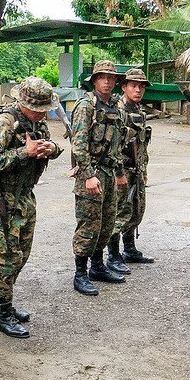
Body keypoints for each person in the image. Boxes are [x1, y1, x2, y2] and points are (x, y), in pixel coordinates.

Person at [0, 77, 62, 338]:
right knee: (6, 258)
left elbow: (53, 145)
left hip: (25, 197)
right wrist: (24, 153)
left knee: (21, 256)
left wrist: (51, 148)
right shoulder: (5, 122)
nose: (42, 114)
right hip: (1, 199)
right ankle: (4, 314)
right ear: (24, 104)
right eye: (38, 109)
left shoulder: (37, 123)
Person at [70, 60, 128, 296]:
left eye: (111, 78)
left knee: (106, 223)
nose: (107, 81)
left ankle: (97, 266)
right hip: (91, 173)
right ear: (94, 80)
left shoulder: (115, 106)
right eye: (102, 77)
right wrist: (88, 175)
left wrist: (120, 172)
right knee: (89, 224)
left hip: (109, 172)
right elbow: (78, 144)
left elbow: (118, 144)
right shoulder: (86, 106)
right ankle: (80, 273)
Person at [108, 67, 154, 270]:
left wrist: (144, 170)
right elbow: (114, 146)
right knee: (119, 212)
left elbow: (142, 145)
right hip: (122, 169)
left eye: (141, 87)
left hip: (137, 170)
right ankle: (113, 255)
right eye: (133, 86)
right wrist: (119, 173)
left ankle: (129, 248)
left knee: (136, 210)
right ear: (124, 87)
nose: (138, 90)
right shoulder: (117, 111)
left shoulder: (139, 111)